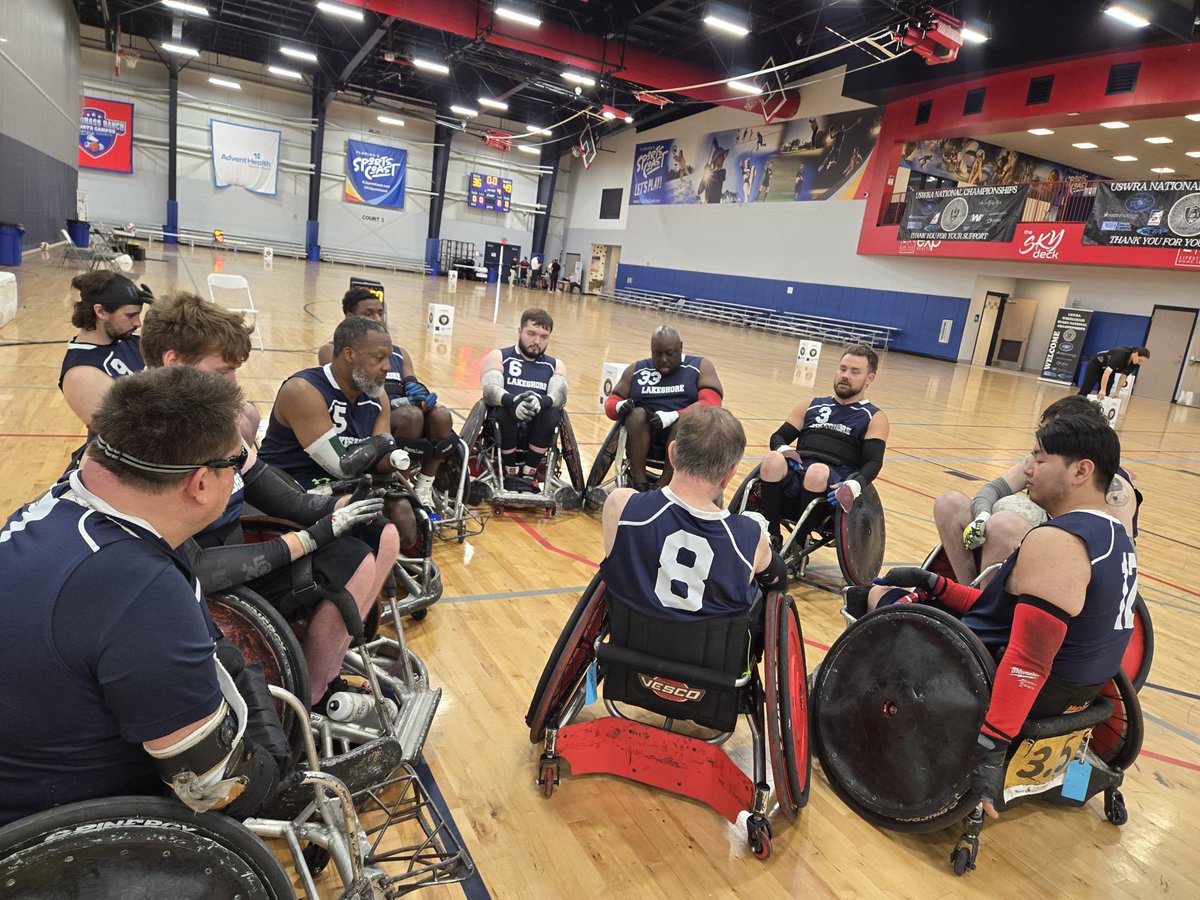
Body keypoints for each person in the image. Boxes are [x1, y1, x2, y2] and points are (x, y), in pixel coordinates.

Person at [0, 367, 287, 827]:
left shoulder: (57, 504)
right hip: (61, 832)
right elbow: (212, 786)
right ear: (200, 483)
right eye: (237, 460)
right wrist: (275, 776)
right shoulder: (140, 589)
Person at [859, 414, 1137, 819]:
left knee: (875, 597)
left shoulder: (1058, 541)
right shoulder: (1117, 538)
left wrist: (992, 746)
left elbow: (1028, 661)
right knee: (908, 592)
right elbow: (1002, 612)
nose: (1029, 469)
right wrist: (938, 586)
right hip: (1081, 694)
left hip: (985, 673)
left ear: (1080, 471)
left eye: (1040, 460)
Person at [141, 292, 399, 706]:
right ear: (174, 363)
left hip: (235, 556)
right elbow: (192, 566)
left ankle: (324, 672)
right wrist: (307, 539)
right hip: (190, 583)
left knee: (370, 537)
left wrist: (339, 508)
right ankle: (311, 699)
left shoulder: (218, 424)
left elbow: (277, 492)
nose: (233, 385)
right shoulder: (148, 445)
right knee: (345, 563)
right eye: (223, 371)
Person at [934, 395, 1141, 585]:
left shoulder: (1115, 489)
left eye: (1048, 430)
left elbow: (1121, 558)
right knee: (949, 504)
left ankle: (984, 616)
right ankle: (970, 594)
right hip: (1037, 543)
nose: (1039, 437)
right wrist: (982, 516)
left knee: (1005, 524)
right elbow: (992, 489)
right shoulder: (1039, 459)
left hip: (1067, 563)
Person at [601, 407, 786, 619]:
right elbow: (778, 581)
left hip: (622, 645)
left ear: (672, 454)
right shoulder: (749, 536)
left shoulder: (621, 504)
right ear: (729, 474)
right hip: (713, 650)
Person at [259, 316, 418, 548]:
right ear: (349, 354)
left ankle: (379, 567)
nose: (388, 367)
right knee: (368, 521)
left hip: (345, 481)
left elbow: (380, 458)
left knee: (404, 515)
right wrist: (383, 445)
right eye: (379, 358)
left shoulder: (378, 397)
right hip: (292, 482)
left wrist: (394, 462)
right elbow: (342, 466)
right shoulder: (303, 390)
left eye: (390, 358)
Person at [318, 287, 455, 508]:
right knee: (411, 416)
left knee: (441, 415)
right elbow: (351, 390)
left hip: (403, 411)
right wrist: (404, 404)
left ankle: (424, 487)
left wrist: (420, 394)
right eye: (369, 313)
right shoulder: (332, 350)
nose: (377, 318)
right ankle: (402, 483)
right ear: (350, 317)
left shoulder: (399, 352)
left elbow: (411, 381)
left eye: (380, 313)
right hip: (370, 413)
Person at [756, 345, 888, 547]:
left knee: (817, 471)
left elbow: (873, 463)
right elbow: (779, 437)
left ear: (869, 378)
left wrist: (854, 484)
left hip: (833, 483)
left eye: (855, 372)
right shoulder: (811, 405)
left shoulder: (874, 417)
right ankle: (772, 536)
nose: (846, 376)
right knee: (772, 459)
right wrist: (785, 450)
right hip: (798, 471)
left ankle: (797, 545)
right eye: (842, 369)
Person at [604, 326, 724, 491]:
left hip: (685, 441)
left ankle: (664, 485)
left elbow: (712, 402)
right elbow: (612, 402)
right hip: (643, 436)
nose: (663, 359)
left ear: (680, 347)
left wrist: (674, 415)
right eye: (657, 354)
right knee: (636, 414)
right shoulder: (637, 369)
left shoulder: (700, 366)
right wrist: (618, 406)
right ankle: (640, 484)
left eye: (670, 353)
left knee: (685, 421)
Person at [480, 307, 569, 492]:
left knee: (553, 412)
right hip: (503, 426)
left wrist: (542, 401)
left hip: (538, 427)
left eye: (544, 336)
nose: (537, 341)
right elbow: (490, 390)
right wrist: (513, 401)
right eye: (531, 333)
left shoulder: (555, 365)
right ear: (519, 332)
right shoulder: (499, 356)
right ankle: (510, 469)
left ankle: (530, 471)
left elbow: (560, 396)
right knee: (503, 410)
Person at [58, 271, 152, 433]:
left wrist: (166, 318)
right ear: (100, 311)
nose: (138, 323)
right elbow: (129, 434)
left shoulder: (128, 339)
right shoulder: (81, 374)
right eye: (130, 315)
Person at [1078, 346, 1149, 398]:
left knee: (1105, 394)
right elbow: (1106, 372)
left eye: (1142, 362)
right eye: (1140, 360)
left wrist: (1117, 392)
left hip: (1110, 371)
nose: (1140, 363)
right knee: (1086, 389)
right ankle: (1075, 407)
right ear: (1136, 353)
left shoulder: (1135, 363)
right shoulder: (1121, 354)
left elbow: (1124, 376)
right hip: (1096, 365)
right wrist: (1102, 389)